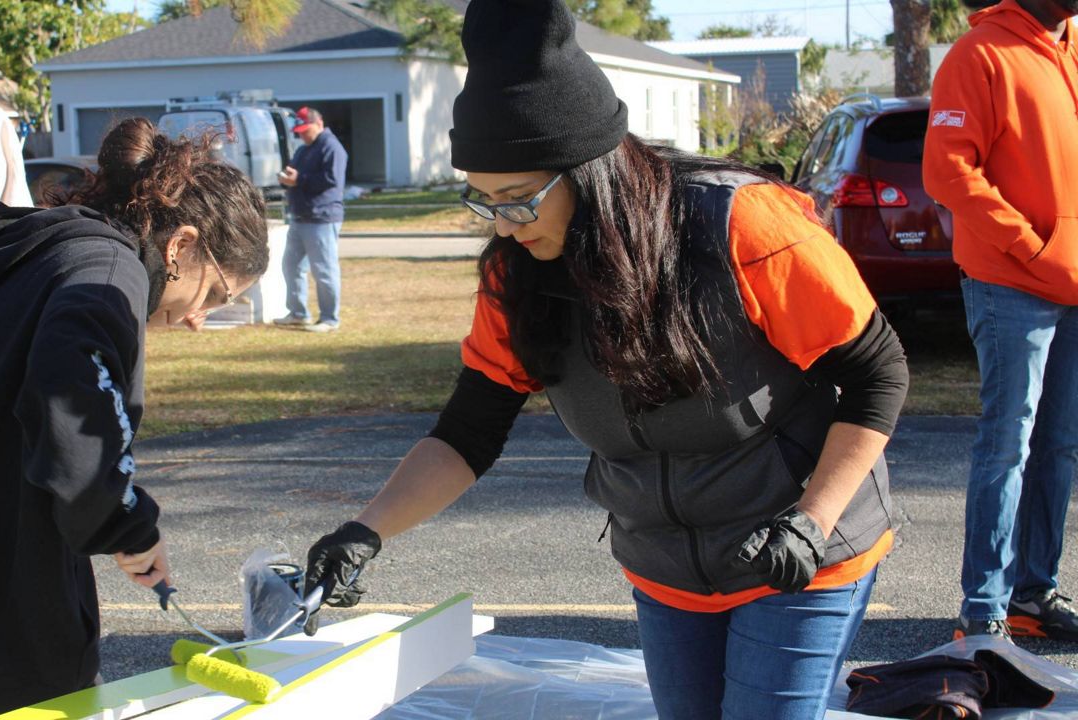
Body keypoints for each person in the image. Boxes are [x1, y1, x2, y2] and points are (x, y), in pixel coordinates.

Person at [301, 1, 909, 718]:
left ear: (590, 173)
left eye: (520, 200)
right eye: (484, 201)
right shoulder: (518, 275)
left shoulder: (742, 224)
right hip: (666, 569)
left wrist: (812, 521)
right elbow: (468, 433)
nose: (502, 224)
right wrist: (364, 532)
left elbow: (877, 374)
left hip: (800, 550)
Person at [0, 117, 270, 720]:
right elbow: (72, 400)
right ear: (182, 245)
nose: (202, 318)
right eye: (217, 295)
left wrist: (118, 520)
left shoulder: (54, 247)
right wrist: (127, 523)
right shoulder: (107, 275)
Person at [923, 0, 1078, 643]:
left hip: (1071, 282)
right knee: (1008, 441)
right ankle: (984, 604)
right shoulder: (979, 54)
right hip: (1012, 282)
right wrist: (1034, 246)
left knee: (1060, 444)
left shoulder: (1072, 47)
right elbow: (947, 171)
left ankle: (1032, 593)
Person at [274, 106, 348, 333]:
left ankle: (329, 319)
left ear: (319, 123)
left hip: (321, 218)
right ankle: (298, 313)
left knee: (324, 270)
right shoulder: (305, 148)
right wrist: (287, 178)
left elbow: (331, 180)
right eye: (300, 131)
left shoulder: (331, 147)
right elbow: (297, 174)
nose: (303, 135)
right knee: (291, 265)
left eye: (307, 130)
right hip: (301, 216)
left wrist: (299, 180)